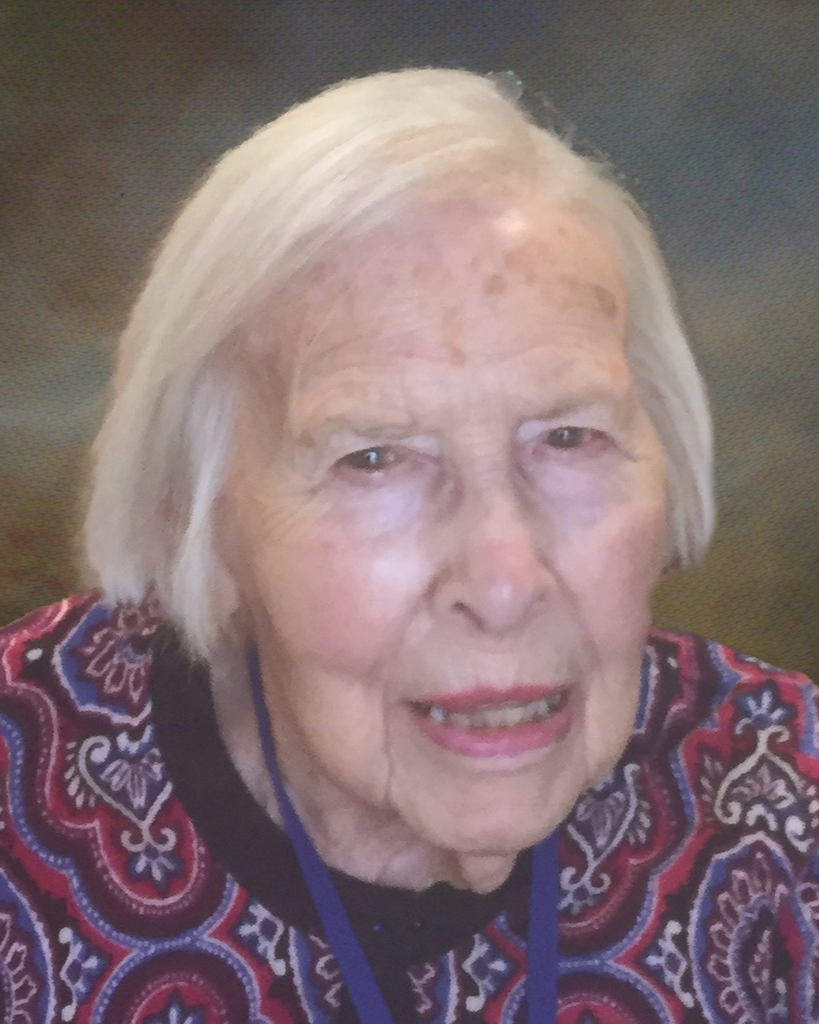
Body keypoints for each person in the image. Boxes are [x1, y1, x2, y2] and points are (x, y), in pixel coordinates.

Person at [1, 68, 817, 1024]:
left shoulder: (783, 802)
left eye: (567, 438)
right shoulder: (22, 792)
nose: (504, 583)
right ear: (199, 519)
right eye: (374, 459)